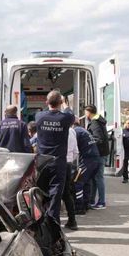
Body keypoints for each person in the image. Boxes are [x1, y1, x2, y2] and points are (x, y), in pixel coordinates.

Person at [36, 90, 75, 224]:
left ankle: (41, 220)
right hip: (58, 162)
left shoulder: (39, 116)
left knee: (41, 191)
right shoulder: (66, 118)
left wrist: (53, 102)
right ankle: (53, 222)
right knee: (56, 193)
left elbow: (49, 108)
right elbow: (70, 113)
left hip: (42, 161)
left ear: (47, 103)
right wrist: (64, 104)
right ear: (60, 102)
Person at [85, 105, 109, 210]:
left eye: (85, 112)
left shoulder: (95, 123)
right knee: (95, 178)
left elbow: (98, 139)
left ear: (89, 112)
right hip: (102, 153)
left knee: (98, 178)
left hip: (99, 153)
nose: (85, 114)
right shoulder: (99, 121)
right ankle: (92, 201)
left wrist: (88, 143)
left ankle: (101, 202)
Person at [73, 121, 100, 214]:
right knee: (87, 182)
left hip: (87, 160)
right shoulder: (83, 131)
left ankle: (79, 208)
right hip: (95, 159)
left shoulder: (75, 132)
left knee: (78, 182)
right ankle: (86, 204)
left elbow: (73, 148)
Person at [62, 126, 79, 230]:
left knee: (51, 194)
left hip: (53, 162)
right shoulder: (71, 131)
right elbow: (76, 151)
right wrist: (69, 161)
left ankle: (52, 222)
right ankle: (72, 220)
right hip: (67, 163)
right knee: (67, 193)